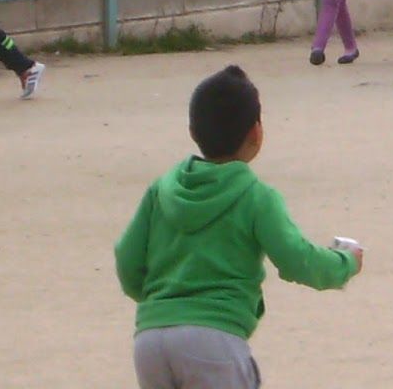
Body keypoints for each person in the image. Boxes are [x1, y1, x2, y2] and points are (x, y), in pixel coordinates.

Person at [115, 65, 363, 389]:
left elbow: (127, 259)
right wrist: (345, 262)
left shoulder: (160, 190)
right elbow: (296, 259)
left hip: (150, 340)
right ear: (256, 133)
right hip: (214, 341)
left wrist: (162, 304)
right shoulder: (255, 196)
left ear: (193, 131)